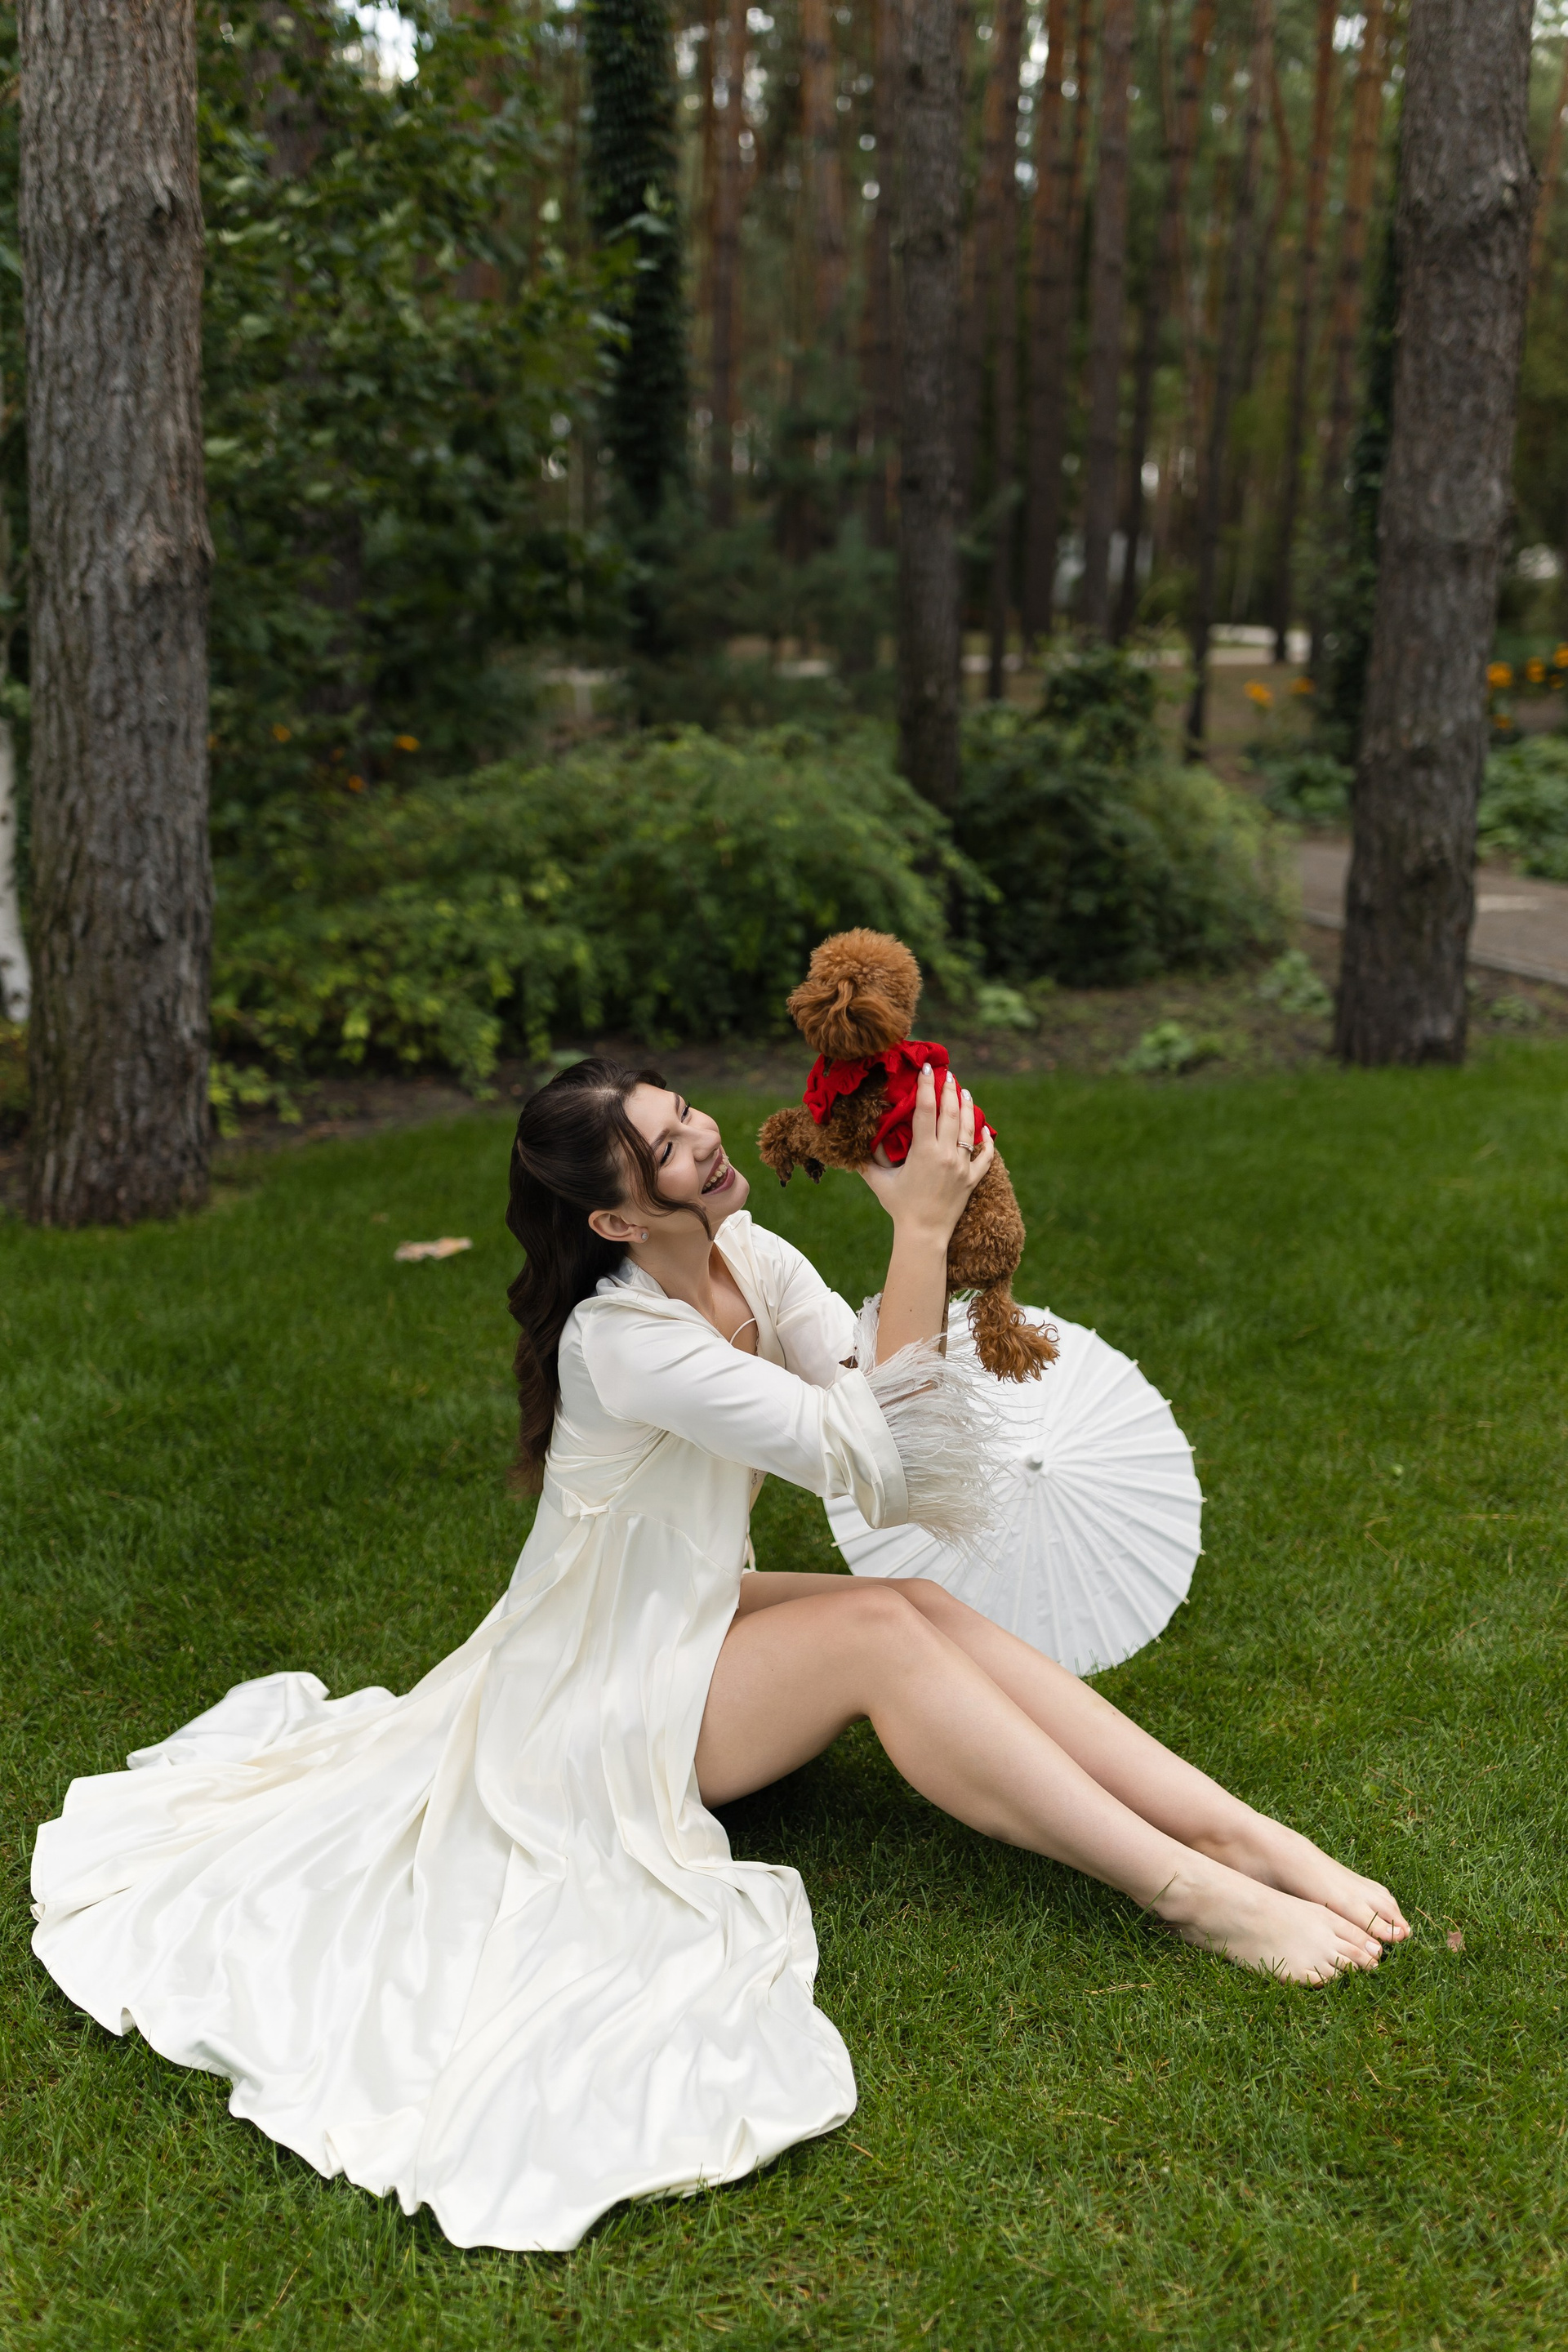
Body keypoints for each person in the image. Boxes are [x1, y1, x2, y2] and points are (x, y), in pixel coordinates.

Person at [31, 1057, 1407, 2256]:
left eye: (686, 1112)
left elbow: (888, 1423)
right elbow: (872, 1454)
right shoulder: (623, 1342)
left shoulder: (752, 1256)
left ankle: (1249, 1839)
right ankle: (1191, 1896)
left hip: (680, 1614)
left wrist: (924, 1238)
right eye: (670, 1146)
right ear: (618, 1220)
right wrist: (917, 1232)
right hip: (587, 1707)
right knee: (880, 1630)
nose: (705, 1137)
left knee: (917, 1608)